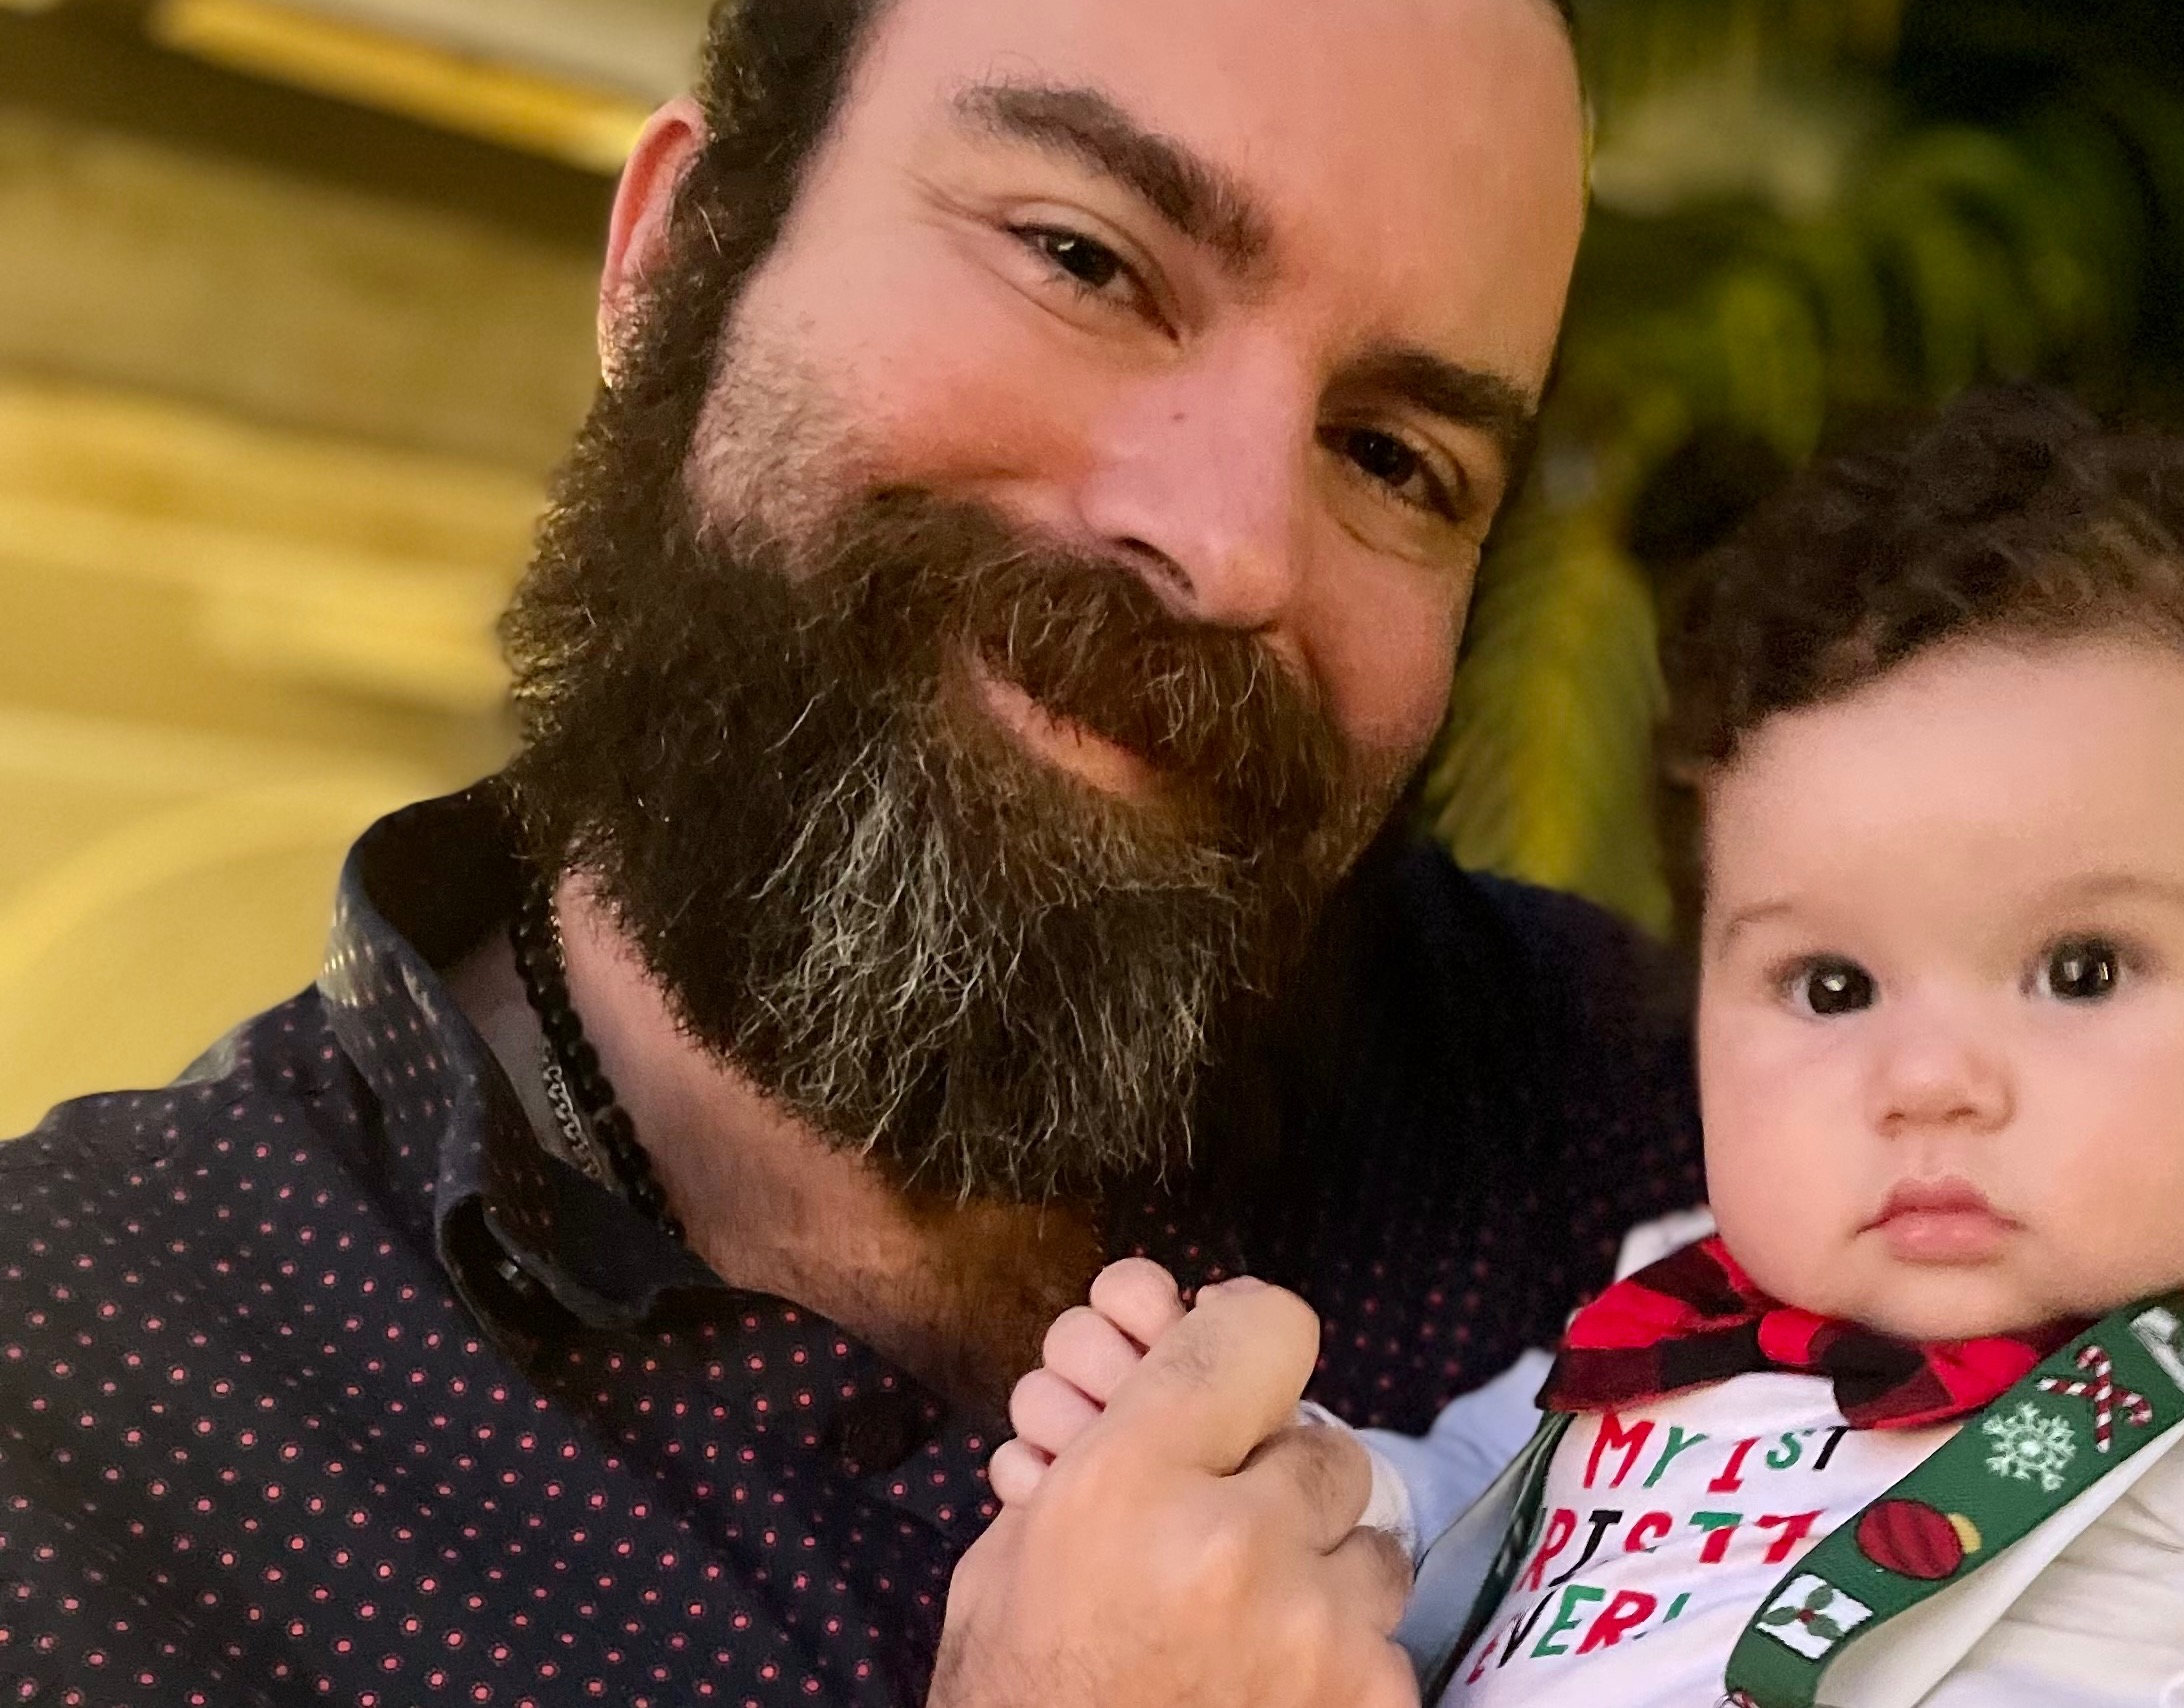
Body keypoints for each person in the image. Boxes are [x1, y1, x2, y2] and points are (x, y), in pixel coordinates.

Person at [0, 0, 1702, 1703]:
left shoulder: (1679, 1124)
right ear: (678, 257)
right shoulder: (65, 1440)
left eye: (1396, 460)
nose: (1232, 545)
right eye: (1085, 260)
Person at [1003, 386, 2184, 1706]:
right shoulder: (1654, 1331)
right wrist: (1267, 1479)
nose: (1930, 1081)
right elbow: (1437, 1532)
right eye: (1830, 988)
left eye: (2081, 969)